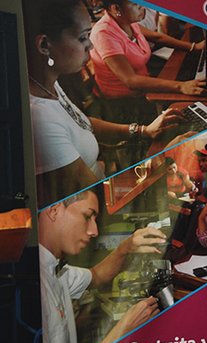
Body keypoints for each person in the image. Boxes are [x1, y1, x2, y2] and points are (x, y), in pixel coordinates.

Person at [23, 0, 183, 207]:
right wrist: (162, 161)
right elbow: (98, 198)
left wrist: (144, 130)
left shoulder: (49, 86)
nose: (90, 45)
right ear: (44, 45)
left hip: (106, 184)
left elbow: (81, 122)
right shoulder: (39, 118)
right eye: (82, 38)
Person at [38, 189, 167, 343]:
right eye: (87, 216)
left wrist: (126, 247)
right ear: (55, 210)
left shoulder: (57, 270)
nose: (94, 231)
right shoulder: (36, 286)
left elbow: (98, 275)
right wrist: (124, 327)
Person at [88, 0, 206, 122]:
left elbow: (157, 37)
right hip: (125, 102)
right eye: (136, 4)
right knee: (185, 109)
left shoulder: (127, 23)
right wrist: (181, 86)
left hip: (143, 85)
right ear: (116, 9)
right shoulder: (104, 34)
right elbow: (130, 80)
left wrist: (193, 47)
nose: (142, 7)